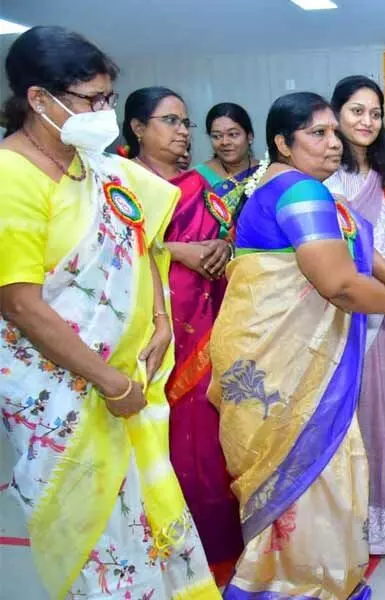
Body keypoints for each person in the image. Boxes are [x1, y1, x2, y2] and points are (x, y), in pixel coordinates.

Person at [0, 26, 218, 599]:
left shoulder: (100, 167)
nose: (105, 113)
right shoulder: (10, 175)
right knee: (96, 538)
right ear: (40, 100)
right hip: (64, 392)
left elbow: (143, 239)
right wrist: (108, 381)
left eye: (108, 99)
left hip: (131, 380)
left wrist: (163, 323)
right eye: (91, 100)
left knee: (150, 527)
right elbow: (19, 301)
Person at [208, 91, 385, 600]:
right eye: (318, 133)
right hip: (293, 369)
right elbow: (339, 284)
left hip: (268, 361)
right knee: (316, 469)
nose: (334, 143)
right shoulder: (303, 194)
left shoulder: (288, 187)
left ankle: (277, 576)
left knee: (296, 473)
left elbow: (354, 247)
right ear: (282, 143)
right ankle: (306, 585)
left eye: (335, 132)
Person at [124, 87, 245, 586]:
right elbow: (115, 246)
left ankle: (220, 553)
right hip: (152, 329)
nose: (182, 131)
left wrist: (219, 243)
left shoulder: (200, 184)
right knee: (166, 443)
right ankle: (168, 555)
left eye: (185, 122)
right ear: (137, 128)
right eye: (170, 120)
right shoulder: (120, 181)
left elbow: (229, 238)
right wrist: (177, 250)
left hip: (210, 325)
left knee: (213, 441)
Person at [324, 75, 385, 555]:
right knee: (345, 414)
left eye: (374, 113)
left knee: (384, 413)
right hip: (337, 313)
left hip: (384, 316)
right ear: (335, 115)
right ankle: (346, 521)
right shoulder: (323, 181)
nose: (366, 121)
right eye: (356, 111)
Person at [195, 102, 258, 218]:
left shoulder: (265, 172)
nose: (225, 142)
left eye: (233, 134)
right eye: (217, 136)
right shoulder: (198, 176)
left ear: (249, 136)